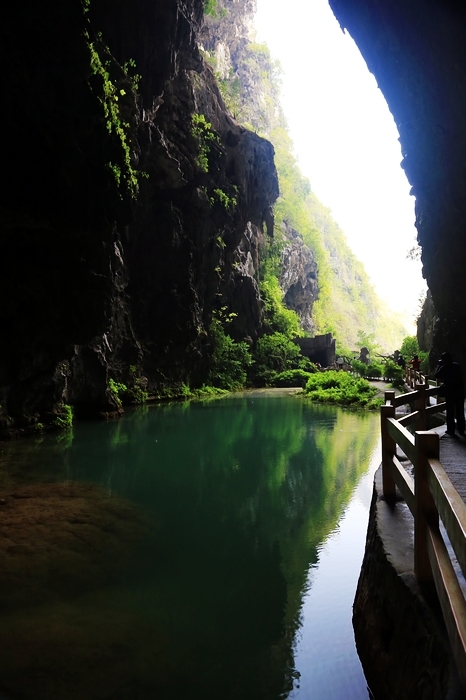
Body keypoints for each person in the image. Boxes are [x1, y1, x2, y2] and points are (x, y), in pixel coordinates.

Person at [435, 352, 465, 435]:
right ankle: (461, 429)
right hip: (459, 390)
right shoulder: (456, 365)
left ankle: (451, 430)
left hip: (450, 391)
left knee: (450, 411)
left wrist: (440, 365)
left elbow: (436, 375)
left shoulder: (444, 367)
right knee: (460, 410)